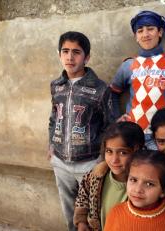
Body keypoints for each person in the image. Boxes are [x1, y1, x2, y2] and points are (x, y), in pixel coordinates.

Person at [48, 31, 113, 231]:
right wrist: (51, 145)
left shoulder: (100, 89)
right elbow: (53, 118)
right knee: (70, 215)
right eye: (65, 51)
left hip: (90, 163)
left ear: (87, 57)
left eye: (76, 52)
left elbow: (109, 126)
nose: (70, 57)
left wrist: (102, 160)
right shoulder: (56, 86)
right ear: (59, 54)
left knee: (93, 215)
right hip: (60, 162)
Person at [110, 10, 165, 149]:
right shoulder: (128, 65)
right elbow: (112, 93)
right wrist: (117, 118)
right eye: (140, 30)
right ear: (136, 36)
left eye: (150, 29)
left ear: (160, 32)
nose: (145, 34)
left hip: (162, 138)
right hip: (133, 134)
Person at [73, 122, 145, 231]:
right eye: (109, 151)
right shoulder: (95, 175)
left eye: (122, 153)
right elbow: (83, 197)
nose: (114, 160)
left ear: (136, 150)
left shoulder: (142, 186)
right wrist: (81, 222)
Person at [104, 150, 165, 231]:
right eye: (133, 180)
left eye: (149, 184)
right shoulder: (116, 213)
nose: (138, 190)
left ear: (164, 190)